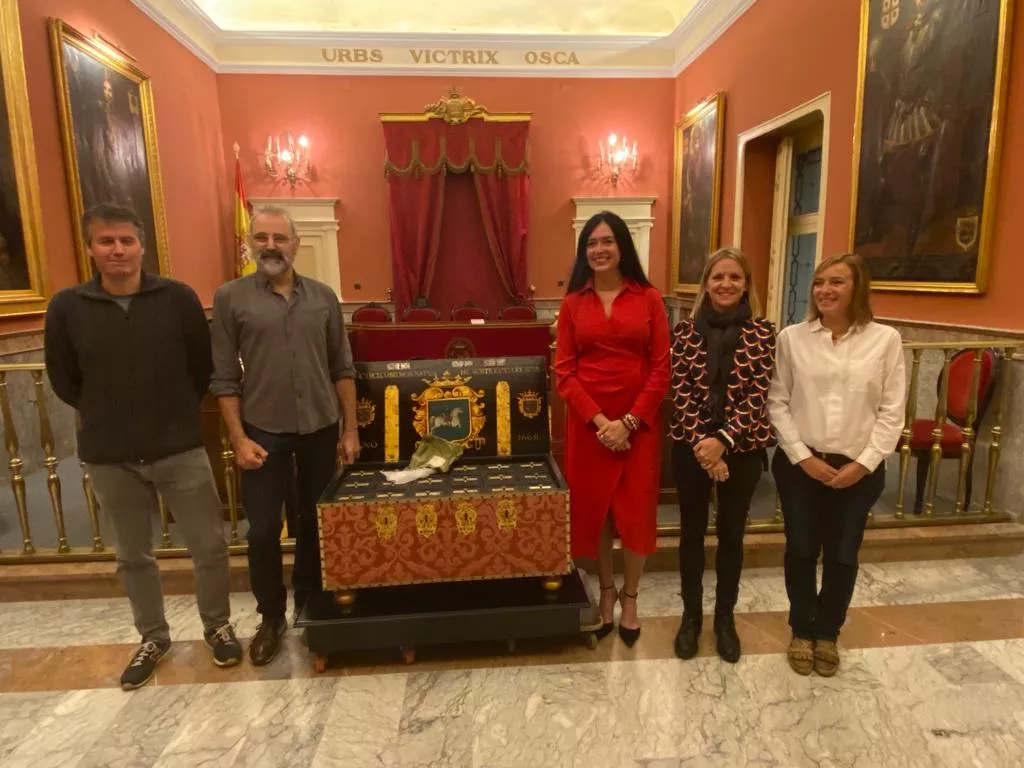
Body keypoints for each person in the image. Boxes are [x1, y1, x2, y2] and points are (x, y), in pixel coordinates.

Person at [44, 203, 241, 691]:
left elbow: (201, 366)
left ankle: (217, 626)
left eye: (125, 241)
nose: (117, 250)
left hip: (178, 447)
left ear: (141, 246)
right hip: (110, 454)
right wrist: (110, 411)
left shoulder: (177, 298)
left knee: (210, 546)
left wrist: (172, 415)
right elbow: (65, 380)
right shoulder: (67, 307)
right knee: (133, 554)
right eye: (106, 241)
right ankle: (153, 637)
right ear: (90, 248)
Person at [211, 205, 359, 666]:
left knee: (317, 524)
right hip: (263, 432)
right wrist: (237, 439)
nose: (271, 246)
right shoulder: (231, 298)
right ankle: (271, 617)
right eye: (261, 238)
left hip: (319, 429)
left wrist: (349, 428)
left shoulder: (324, 297)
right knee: (262, 533)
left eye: (279, 237)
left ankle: (311, 605)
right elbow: (223, 378)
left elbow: (342, 367)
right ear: (250, 244)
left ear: (295, 244)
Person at [768, 253, 906, 677]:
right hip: (800, 466)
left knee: (843, 554)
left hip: (857, 471)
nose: (825, 290)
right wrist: (803, 457)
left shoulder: (885, 340)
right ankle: (801, 628)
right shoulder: (793, 338)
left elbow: (892, 410)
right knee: (802, 549)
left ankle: (828, 632)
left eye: (837, 282)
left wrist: (863, 464)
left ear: (857, 288)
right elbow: (778, 401)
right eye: (819, 282)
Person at [554, 211, 670, 647]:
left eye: (607, 241)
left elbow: (661, 370)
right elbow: (564, 372)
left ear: (622, 246)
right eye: (591, 243)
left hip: (639, 426)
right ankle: (605, 592)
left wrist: (630, 422)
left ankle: (631, 597)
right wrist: (602, 422)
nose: (599, 249)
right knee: (597, 512)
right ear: (584, 252)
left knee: (636, 513)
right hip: (590, 428)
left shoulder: (649, 299)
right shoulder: (572, 303)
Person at [669, 248, 776, 664]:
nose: (726, 284)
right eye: (718, 277)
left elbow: (758, 394)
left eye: (734, 277)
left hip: (743, 449)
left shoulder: (763, 333)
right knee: (691, 534)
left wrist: (724, 441)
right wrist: (705, 446)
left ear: (746, 283)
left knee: (732, 536)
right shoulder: (683, 333)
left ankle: (725, 620)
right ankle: (690, 617)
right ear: (706, 284)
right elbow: (680, 392)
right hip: (691, 447)